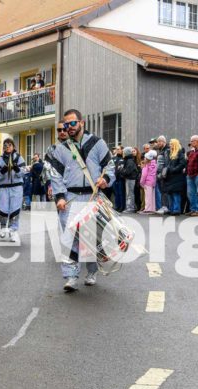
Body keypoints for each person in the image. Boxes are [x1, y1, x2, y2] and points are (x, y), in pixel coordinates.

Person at [48, 109, 114, 292]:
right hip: (70, 198)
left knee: (91, 238)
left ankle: (92, 272)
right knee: (69, 239)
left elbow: (110, 166)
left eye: (72, 123)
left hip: (93, 196)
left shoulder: (97, 143)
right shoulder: (60, 149)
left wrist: (105, 179)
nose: (68, 127)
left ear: (81, 123)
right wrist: (60, 197)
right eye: (66, 124)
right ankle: (71, 276)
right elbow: (55, 175)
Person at [0, 138, 25, 242]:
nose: (7, 147)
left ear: (13, 146)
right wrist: (3, 170)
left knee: (15, 209)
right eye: (5, 145)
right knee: (3, 209)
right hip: (3, 187)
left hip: (16, 187)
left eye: (9, 145)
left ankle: (13, 231)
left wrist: (16, 168)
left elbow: (23, 173)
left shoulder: (19, 158)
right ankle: (3, 227)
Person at [164, 138, 187, 215]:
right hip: (170, 177)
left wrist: (174, 170)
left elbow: (182, 163)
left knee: (176, 194)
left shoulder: (180, 152)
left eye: (171, 144)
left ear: (175, 144)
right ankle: (171, 209)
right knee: (170, 193)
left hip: (177, 176)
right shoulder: (169, 153)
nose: (169, 145)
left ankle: (176, 210)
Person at [118, 146, 140, 213]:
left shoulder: (129, 161)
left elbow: (127, 171)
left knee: (130, 194)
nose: (123, 153)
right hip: (129, 178)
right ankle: (130, 207)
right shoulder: (129, 160)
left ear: (126, 153)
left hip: (130, 179)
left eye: (124, 152)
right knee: (129, 194)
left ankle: (131, 208)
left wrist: (121, 170)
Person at [154, 136, 170, 214]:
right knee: (162, 191)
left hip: (163, 174)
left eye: (159, 141)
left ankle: (165, 207)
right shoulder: (161, 150)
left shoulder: (166, 150)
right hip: (160, 173)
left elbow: (166, 163)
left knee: (164, 191)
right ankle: (164, 206)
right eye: (158, 142)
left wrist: (162, 174)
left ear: (163, 142)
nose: (158, 143)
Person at [139, 150, 158, 214]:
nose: (144, 159)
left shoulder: (146, 165)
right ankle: (152, 209)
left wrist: (141, 182)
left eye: (145, 158)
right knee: (152, 196)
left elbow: (144, 175)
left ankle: (147, 209)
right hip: (153, 182)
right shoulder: (155, 164)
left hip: (147, 182)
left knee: (147, 197)